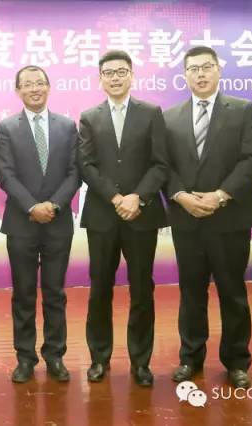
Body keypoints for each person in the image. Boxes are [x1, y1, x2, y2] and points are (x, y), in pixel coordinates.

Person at [165, 46, 252, 389]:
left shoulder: (242, 110)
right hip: (187, 219)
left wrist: (220, 195)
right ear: (185, 75)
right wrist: (181, 197)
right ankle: (190, 358)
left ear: (219, 71)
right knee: (191, 292)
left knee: (232, 291)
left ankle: (237, 361)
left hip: (230, 218)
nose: (201, 74)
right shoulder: (169, 117)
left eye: (207, 67)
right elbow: (163, 165)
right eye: (193, 68)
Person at [77, 50, 168, 387]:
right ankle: (99, 358)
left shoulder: (151, 113)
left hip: (141, 215)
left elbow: (160, 163)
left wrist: (137, 197)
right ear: (100, 79)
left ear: (132, 75)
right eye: (108, 73)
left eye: (121, 72)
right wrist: (116, 198)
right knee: (100, 287)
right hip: (103, 215)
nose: (115, 78)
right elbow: (86, 165)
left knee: (142, 288)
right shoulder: (89, 116)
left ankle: (141, 362)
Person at [0, 65, 80, 383]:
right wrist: (32, 206)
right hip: (22, 223)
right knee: (24, 293)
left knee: (55, 292)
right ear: (17, 90)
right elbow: (6, 174)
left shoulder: (67, 126)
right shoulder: (6, 127)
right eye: (27, 84)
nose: (34, 88)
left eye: (39, 83)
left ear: (49, 87)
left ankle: (55, 355)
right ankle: (25, 358)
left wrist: (54, 205)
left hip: (58, 222)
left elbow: (75, 172)